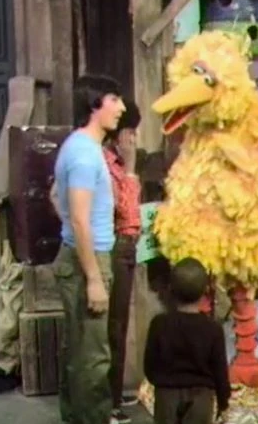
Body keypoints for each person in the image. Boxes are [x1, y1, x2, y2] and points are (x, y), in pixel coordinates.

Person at [52, 74, 125, 424]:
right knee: (94, 357)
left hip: (80, 254)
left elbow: (56, 196)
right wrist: (94, 278)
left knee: (79, 351)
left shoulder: (80, 146)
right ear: (95, 104)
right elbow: (81, 219)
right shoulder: (84, 153)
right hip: (88, 259)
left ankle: (74, 418)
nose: (121, 108)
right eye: (114, 99)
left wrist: (71, 225)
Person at [144, 258, 231, 424]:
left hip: (166, 395)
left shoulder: (159, 324)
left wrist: (159, 382)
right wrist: (223, 402)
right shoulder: (212, 329)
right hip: (201, 398)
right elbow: (220, 370)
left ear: (170, 289)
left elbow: (149, 364)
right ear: (205, 291)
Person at [104, 99, 142, 424]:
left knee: (119, 325)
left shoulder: (115, 162)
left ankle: (114, 396)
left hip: (126, 249)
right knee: (113, 329)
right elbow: (126, 213)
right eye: (131, 131)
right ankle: (110, 404)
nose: (134, 139)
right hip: (115, 248)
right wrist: (130, 169)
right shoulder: (107, 164)